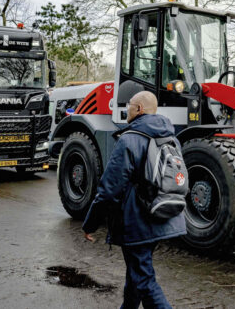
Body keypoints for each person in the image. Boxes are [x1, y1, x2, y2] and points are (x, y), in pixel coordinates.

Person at [82, 91, 186, 308]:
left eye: (129, 105)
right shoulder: (171, 136)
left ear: (139, 109)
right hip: (161, 214)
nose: (127, 108)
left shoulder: (131, 138)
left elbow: (109, 189)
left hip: (137, 221)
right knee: (137, 273)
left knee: (144, 280)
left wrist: (90, 223)